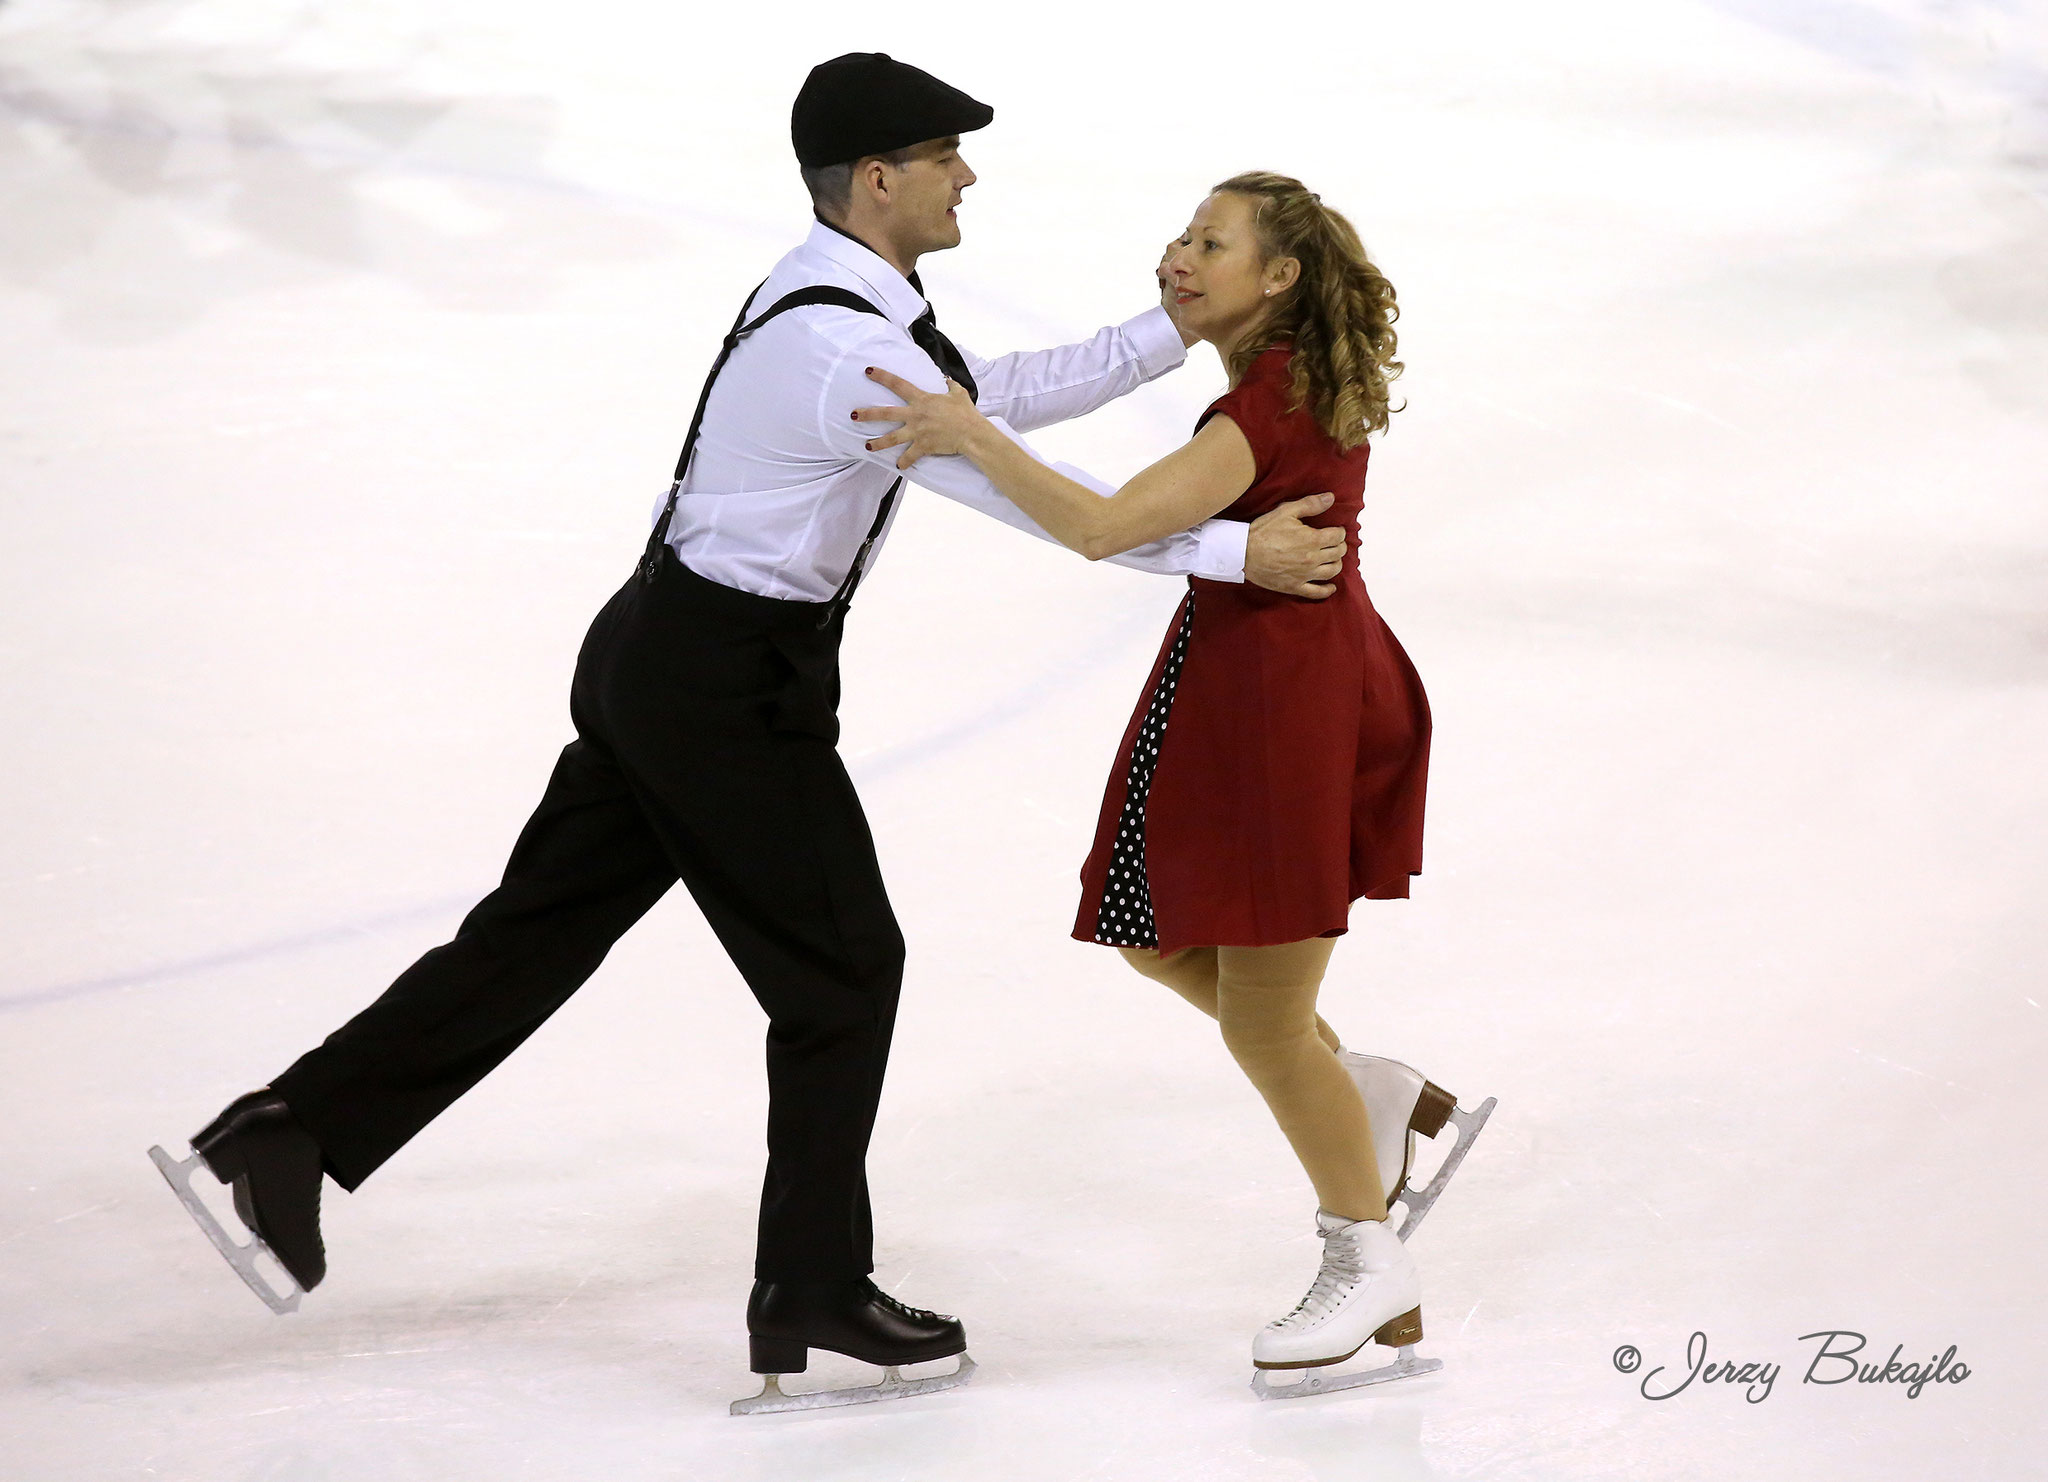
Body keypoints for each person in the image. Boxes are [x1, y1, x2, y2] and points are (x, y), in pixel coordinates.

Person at [146, 60, 1349, 1415]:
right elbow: (1042, 507)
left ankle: (289, 1132)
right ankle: (811, 1285)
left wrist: (1167, 332)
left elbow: (983, 391)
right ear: (879, 177)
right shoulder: (845, 348)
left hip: (678, 658)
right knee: (843, 969)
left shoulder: (853, 301)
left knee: (539, 930)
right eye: (947, 154)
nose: (969, 175)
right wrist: (1235, 552)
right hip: (717, 688)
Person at [855, 171, 1493, 1395]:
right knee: (1154, 933)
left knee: (1259, 1014)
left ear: (1279, 279)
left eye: (1214, 242)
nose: (1180, 254)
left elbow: (1102, 530)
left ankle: (1366, 1257)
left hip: (1282, 709)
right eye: (1181, 234)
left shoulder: (1262, 409)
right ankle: (1365, 1091)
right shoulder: (1270, 391)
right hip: (1239, 686)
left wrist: (971, 433)